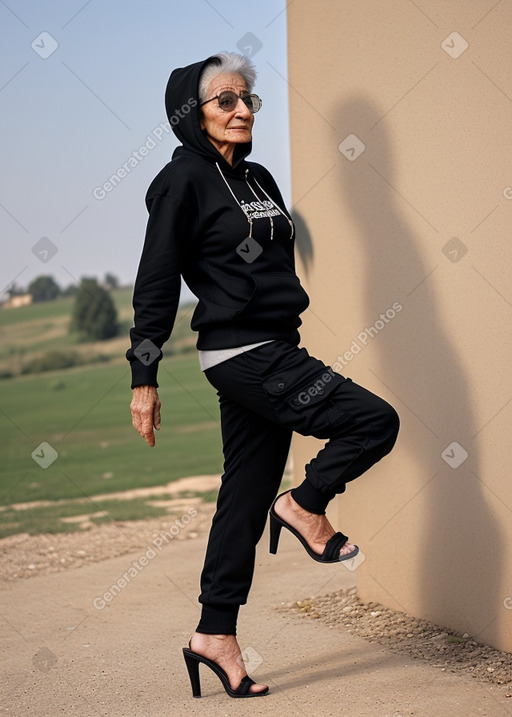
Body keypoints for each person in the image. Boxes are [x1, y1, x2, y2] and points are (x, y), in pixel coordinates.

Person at [127, 51, 399, 699]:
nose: (244, 109)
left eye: (249, 98)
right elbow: (157, 280)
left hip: (275, 342)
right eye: (226, 100)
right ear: (193, 113)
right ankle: (305, 505)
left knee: (243, 498)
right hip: (243, 353)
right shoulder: (182, 181)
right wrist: (144, 373)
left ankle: (213, 634)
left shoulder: (258, 178)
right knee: (374, 420)